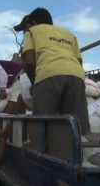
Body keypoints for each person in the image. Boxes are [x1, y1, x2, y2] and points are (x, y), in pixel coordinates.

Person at [20, 7, 91, 136]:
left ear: (33, 23)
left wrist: (35, 83)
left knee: (43, 129)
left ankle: (45, 154)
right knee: (76, 128)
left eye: (26, 26)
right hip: (76, 75)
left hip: (47, 75)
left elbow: (29, 61)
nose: (25, 29)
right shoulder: (69, 34)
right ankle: (76, 153)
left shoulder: (31, 32)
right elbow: (79, 62)